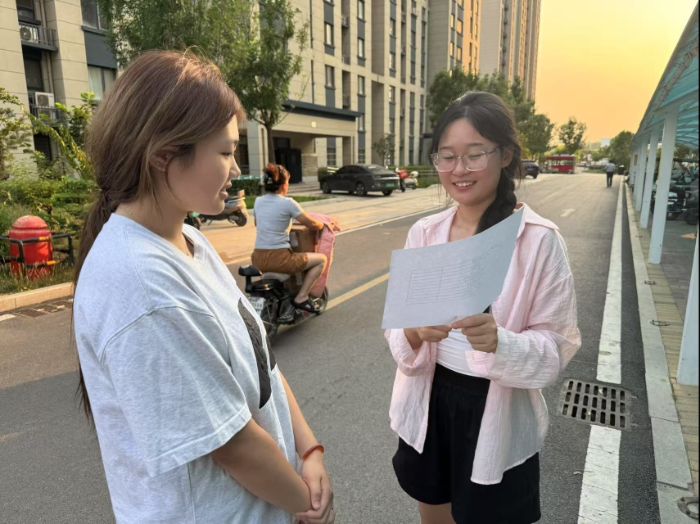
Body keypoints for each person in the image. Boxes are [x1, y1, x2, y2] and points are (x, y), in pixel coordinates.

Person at [72, 50, 334, 524]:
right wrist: (306, 503)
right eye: (226, 152)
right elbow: (233, 445)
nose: (236, 169)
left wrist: (309, 449)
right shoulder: (138, 281)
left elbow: (263, 364)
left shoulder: (190, 240)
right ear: (163, 156)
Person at [385, 91, 581, 524]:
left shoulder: (538, 240)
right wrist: (414, 331)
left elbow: (555, 347)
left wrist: (500, 343)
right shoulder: (425, 233)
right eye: (447, 156)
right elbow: (398, 326)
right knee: (433, 511)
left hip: (497, 413)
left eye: (474, 155)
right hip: (429, 402)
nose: (459, 169)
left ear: (505, 155)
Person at [252, 164, 327, 313]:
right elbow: (311, 223)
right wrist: (321, 225)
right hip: (280, 259)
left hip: (258, 259)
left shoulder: (258, 201)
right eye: (287, 182)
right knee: (321, 260)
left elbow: (257, 224)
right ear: (283, 185)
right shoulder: (288, 203)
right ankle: (302, 297)